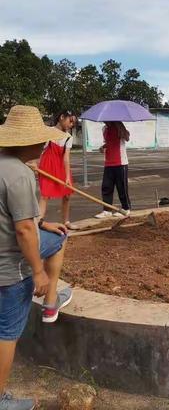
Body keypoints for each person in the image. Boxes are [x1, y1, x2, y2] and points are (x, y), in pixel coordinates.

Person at [0, 105, 73, 410]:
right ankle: (50, 301)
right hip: (9, 265)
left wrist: (44, 223)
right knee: (6, 333)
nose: (44, 145)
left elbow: (26, 220)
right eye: (40, 140)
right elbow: (24, 231)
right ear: (27, 142)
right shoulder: (19, 174)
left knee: (55, 234)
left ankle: (53, 301)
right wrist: (38, 272)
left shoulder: (10, 167)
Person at [38, 110, 77, 230]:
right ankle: (39, 222)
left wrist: (67, 177)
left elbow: (66, 157)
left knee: (67, 195)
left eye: (73, 124)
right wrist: (35, 164)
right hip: (47, 165)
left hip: (61, 166)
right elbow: (40, 150)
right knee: (45, 195)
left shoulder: (68, 137)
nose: (71, 125)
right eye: (70, 121)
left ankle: (66, 221)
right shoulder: (48, 132)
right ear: (61, 117)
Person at [95, 121, 131, 218]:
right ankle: (107, 210)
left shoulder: (119, 126)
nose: (104, 121)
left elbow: (127, 138)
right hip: (108, 162)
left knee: (122, 187)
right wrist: (102, 147)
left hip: (121, 162)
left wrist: (122, 130)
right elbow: (108, 143)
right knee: (106, 187)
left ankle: (126, 208)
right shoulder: (104, 129)